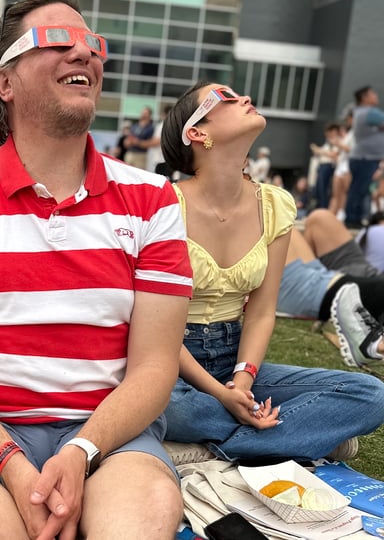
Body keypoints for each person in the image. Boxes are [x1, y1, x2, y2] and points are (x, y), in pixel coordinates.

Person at [0, 0, 193, 539]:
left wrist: (82, 450)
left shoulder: (154, 199)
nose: (83, 53)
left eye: (91, 43)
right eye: (56, 40)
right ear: (4, 81)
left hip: (110, 430)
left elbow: (155, 367)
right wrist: (12, 464)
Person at [159, 81, 384, 463]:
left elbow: (262, 311)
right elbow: (156, 326)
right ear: (196, 132)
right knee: (172, 406)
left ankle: (216, 448)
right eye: (226, 98)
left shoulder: (275, 204)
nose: (245, 98)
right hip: (170, 357)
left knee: (369, 394)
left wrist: (242, 380)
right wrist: (220, 394)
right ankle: (299, 437)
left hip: (237, 356)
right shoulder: (162, 203)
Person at [277, 209, 384, 368]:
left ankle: (371, 346)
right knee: (320, 218)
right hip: (349, 275)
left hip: (329, 291)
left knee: (270, 215)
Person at [346, 85, 384, 228]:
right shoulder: (369, 112)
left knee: (360, 189)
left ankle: (354, 219)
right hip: (365, 158)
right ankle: (352, 220)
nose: (375, 95)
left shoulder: (360, 112)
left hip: (363, 157)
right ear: (364, 98)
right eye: (372, 94)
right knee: (359, 190)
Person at [310, 121, 341, 209]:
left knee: (324, 189)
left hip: (329, 166)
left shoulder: (337, 141)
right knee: (318, 189)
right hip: (322, 166)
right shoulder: (328, 142)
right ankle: (319, 207)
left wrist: (320, 151)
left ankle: (324, 207)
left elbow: (334, 154)